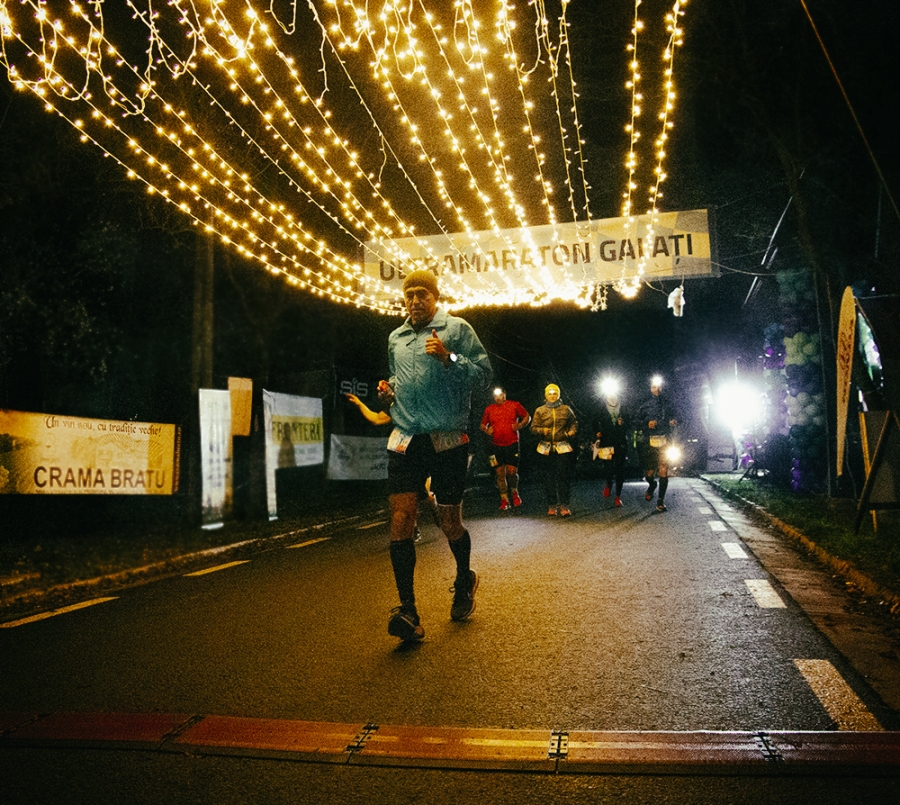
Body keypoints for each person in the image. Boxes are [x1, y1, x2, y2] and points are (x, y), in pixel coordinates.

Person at [378, 269, 492, 643]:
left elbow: (483, 375)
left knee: (448, 521)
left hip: (447, 438)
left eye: (421, 293)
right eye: (408, 294)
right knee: (400, 518)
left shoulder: (456, 330)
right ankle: (407, 610)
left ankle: (464, 580)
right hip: (406, 438)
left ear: (435, 297)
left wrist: (450, 357)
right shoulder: (396, 338)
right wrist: (387, 392)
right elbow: (399, 381)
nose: (414, 300)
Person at [530, 383, 578, 517]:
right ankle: (552, 505)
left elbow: (574, 422)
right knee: (548, 478)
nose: (552, 396)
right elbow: (533, 428)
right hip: (545, 448)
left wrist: (571, 432)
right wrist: (541, 430)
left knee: (563, 477)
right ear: (546, 395)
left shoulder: (566, 409)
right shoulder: (539, 410)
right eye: (550, 393)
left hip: (562, 446)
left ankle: (564, 505)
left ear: (558, 395)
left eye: (554, 393)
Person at [480, 387, 531, 511]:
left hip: (512, 444)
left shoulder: (514, 405)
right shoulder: (489, 409)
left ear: (504, 395)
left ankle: (514, 492)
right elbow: (482, 425)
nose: (498, 397)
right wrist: (487, 430)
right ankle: (504, 499)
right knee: (500, 473)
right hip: (495, 446)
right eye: (495, 395)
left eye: (500, 394)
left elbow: (527, 417)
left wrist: (519, 425)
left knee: (512, 472)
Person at [638, 375, 677, 512]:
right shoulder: (645, 406)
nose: (657, 389)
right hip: (650, 442)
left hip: (665, 440)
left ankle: (660, 501)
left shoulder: (669, 404)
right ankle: (652, 485)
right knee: (649, 473)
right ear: (650, 389)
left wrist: (674, 421)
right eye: (654, 387)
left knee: (663, 469)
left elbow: (678, 418)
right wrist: (647, 424)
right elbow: (635, 422)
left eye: (659, 386)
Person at [593, 384, 629, 507]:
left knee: (620, 470)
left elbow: (630, 420)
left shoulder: (623, 405)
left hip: (620, 442)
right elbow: (594, 420)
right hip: (606, 441)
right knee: (608, 468)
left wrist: (623, 423)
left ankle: (618, 497)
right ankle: (608, 483)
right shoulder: (600, 406)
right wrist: (596, 432)